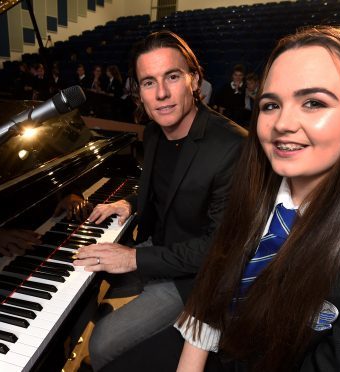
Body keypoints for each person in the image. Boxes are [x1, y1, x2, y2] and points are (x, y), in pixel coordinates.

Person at [100, 25, 340, 372]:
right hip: (213, 335)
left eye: (314, 103)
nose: (283, 123)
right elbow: (219, 275)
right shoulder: (260, 176)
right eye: (271, 104)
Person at [73, 30, 246, 370]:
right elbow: (161, 190)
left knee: (102, 344)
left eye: (172, 77)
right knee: (76, 275)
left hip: (194, 277)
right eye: (148, 82)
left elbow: (218, 249)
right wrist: (130, 204)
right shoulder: (154, 130)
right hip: (155, 247)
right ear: (138, 91)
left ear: (194, 80)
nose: (162, 94)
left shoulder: (232, 147)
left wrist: (133, 260)